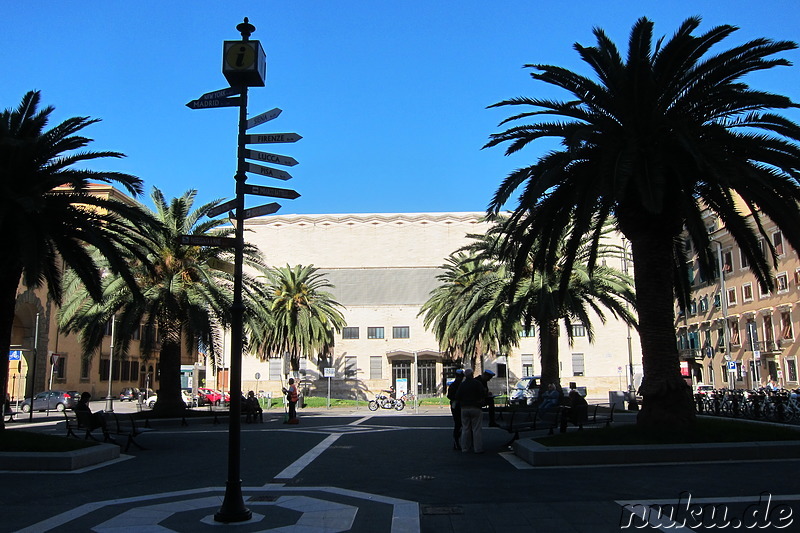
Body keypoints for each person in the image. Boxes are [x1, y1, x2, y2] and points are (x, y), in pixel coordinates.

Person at [455, 368, 486, 454]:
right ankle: (478, 448)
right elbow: (483, 394)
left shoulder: (462, 385)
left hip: (464, 408)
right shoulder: (477, 384)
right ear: (472, 374)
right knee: (476, 429)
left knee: (465, 428)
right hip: (476, 407)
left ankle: (464, 448)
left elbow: (457, 396)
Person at [446, 369, 464, 450]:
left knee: (458, 424)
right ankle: (457, 440)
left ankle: (458, 440)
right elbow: (449, 396)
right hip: (457, 405)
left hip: (456, 405)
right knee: (459, 423)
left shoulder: (454, 385)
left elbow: (449, 396)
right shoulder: (458, 385)